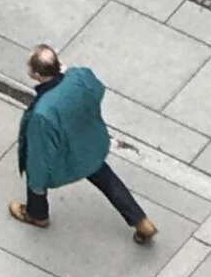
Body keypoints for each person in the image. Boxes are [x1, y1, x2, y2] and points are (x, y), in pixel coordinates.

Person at [9, 45, 158, 244]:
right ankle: (141, 221)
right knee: (106, 179)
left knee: (35, 171)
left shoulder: (42, 114)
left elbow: (40, 157)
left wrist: (36, 184)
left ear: (36, 74)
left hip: (68, 154)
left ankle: (37, 214)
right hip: (89, 143)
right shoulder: (77, 78)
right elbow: (97, 88)